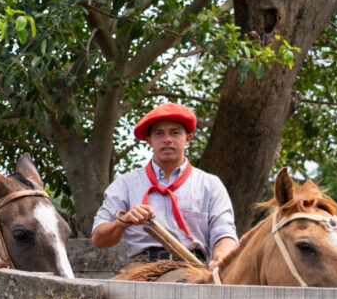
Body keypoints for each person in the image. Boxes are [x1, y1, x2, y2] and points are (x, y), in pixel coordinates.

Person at [92, 103, 238, 270]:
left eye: (175, 133)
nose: (167, 139)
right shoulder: (125, 184)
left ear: (188, 139)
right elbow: (98, 238)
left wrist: (223, 256)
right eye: (159, 133)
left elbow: (224, 232)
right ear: (149, 141)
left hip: (194, 269)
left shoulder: (210, 185)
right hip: (141, 270)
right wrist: (123, 222)